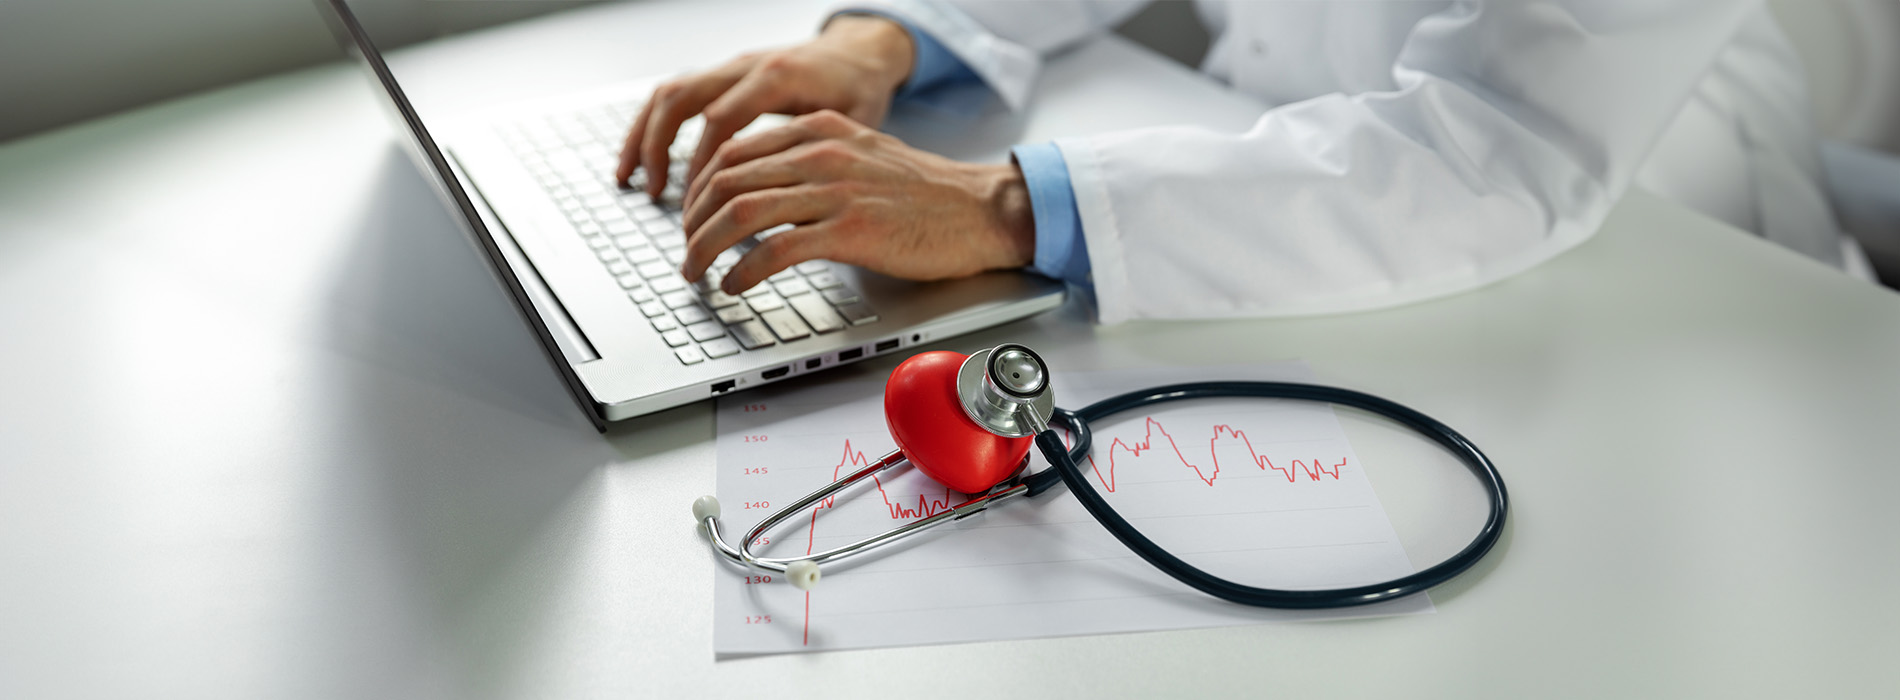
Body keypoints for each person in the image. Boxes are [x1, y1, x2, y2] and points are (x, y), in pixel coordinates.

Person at [616, 0, 1864, 323]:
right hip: (1279, 184)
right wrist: (903, 36)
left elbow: (1508, 141)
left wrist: (1004, 201)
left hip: (1664, 251)